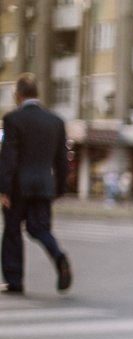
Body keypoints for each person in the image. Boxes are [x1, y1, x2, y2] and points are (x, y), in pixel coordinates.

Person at [0, 73, 71, 294]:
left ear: (18, 95)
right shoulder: (56, 121)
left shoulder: (13, 120)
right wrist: (59, 189)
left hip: (18, 187)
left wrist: (3, 189)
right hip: (43, 186)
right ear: (37, 94)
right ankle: (59, 257)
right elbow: (62, 159)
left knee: (12, 231)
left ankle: (15, 281)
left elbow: (8, 157)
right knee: (39, 228)